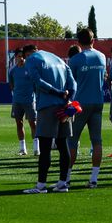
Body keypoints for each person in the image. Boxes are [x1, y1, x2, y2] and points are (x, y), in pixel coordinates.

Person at [22, 43, 77, 194]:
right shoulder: (58, 59)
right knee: (63, 144)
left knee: (45, 147)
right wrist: (68, 100)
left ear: (28, 54)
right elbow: (73, 84)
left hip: (47, 106)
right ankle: (62, 183)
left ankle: (41, 186)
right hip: (64, 107)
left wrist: (58, 93)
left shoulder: (32, 60)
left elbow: (38, 82)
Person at [68, 29, 106, 189]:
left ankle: (66, 177)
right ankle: (94, 178)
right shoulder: (102, 56)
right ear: (93, 40)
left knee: (72, 140)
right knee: (96, 141)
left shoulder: (75, 60)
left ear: (78, 41)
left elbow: (71, 83)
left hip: (80, 105)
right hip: (98, 102)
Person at [8, 48, 37, 156]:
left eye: (23, 56)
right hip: (17, 101)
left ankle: (36, 148)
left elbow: (35, 83)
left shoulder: (30, 69)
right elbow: (11, 84)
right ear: (15, 57)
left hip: (29, 100)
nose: (21, 58)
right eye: (19, 56)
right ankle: (23, 149)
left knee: (33, 123)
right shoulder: (12, 70)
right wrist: (15, 93)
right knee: (19, 123)